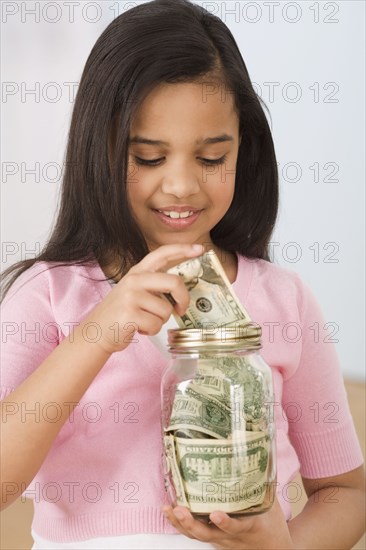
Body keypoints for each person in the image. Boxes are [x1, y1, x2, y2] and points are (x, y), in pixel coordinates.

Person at [1, 1, 364, 548]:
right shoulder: (49, 296)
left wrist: (283, 546)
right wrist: (99, 332)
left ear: (245, 150)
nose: (181, 186)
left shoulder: (285, 301)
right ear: (96, 152)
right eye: (148, 158)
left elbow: (346, 492)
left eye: (213, 158)